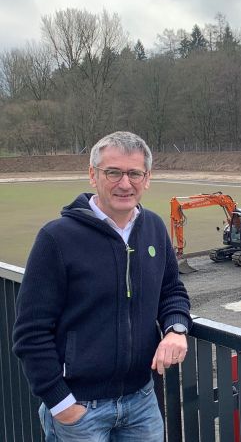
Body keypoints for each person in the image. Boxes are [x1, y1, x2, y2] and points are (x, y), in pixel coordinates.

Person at [13, 131, 191, 442]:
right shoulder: (56, 239)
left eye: (134, 173)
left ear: (147, 178)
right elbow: (30, 331)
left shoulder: (153, 228)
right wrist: (61, 403)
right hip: (80, 409)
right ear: (93, 175)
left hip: (141, 401)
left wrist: (176, 328)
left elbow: (172, 290)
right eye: (113, 172)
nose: (125, 183)